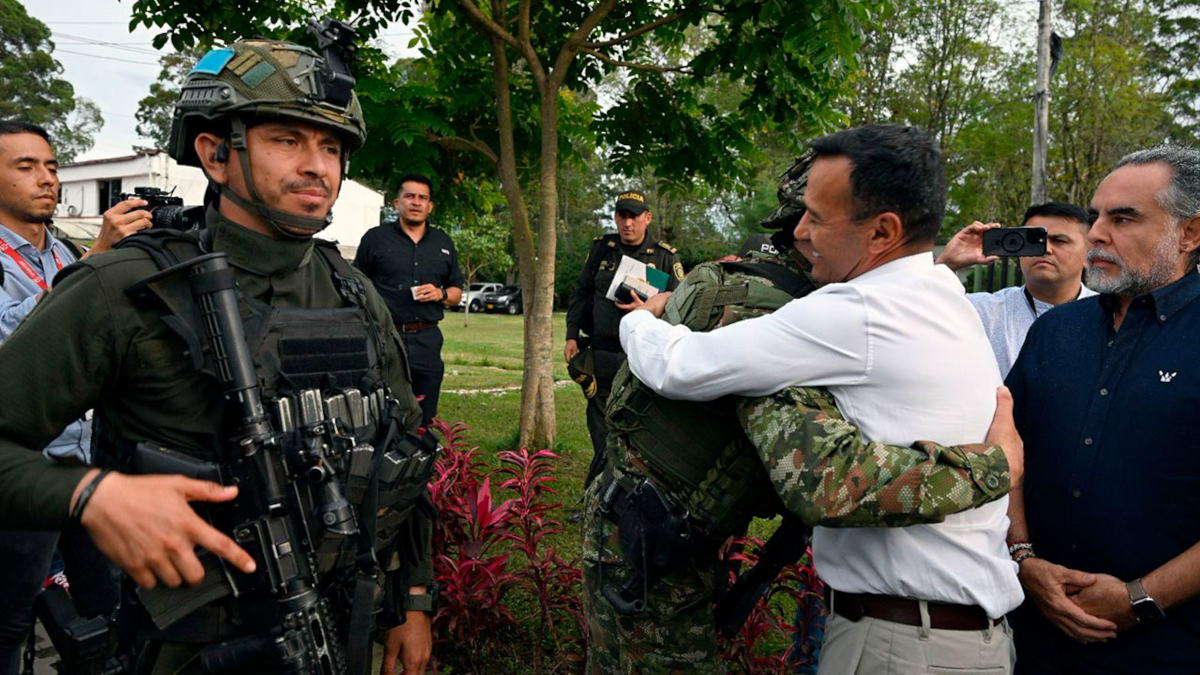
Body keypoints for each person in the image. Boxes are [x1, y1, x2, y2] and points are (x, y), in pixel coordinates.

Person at [0, 36, 434, 675]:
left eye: (332, 146)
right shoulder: (121, 288)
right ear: (216, 154)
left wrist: (414, 599)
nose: (319, 165)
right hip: (190, 650)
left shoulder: (352, 288)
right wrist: (90, 494)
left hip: (336, 632)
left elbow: (404, 447)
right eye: (287, 140)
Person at [582, 153, 1023, 674]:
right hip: (657, 542)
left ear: (881, 231)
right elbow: (820, 474)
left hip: (908, 636)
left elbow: (819, 472)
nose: (804, 231)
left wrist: (642, 320)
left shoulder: (850, 309)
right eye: (802, 218)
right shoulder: (916, 295)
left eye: (816, 217)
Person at [1004, 146, 1200, 674]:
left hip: (1169, 649)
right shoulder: (1055, 330)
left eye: (1123, 218)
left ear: (1190, 234)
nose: (1095, 234)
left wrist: (1141, 597)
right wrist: (1024, 560)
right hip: (1033, 639)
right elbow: (1005, 449)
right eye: (1096, 217)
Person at [0, 119, 143, 675]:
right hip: (24, 470)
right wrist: (95, 263)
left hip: (87, 460)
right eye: (26, 166)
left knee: (105, 607)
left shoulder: (64, 253)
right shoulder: (79, 260)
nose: (47, 179)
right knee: (11, 624)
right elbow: (19, 352)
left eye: (52, 166)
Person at [564, 189, 683, 475]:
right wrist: (571, 334)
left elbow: (681, 310)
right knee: (600, 429)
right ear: (616, 218)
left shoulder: (665, 258)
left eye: (634, 216)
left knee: (637, 431)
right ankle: (598, 494)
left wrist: (650, 308)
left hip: (641, 357)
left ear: (647, 218)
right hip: (601, 355)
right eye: (622, 216)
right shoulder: (602, 248)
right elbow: (581, 293)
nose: (627, 223)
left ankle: (631, 495)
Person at [936, 203, 1096, 376]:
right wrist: (947, 263)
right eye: (1033, 240)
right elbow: (918, 313)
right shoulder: (984, 312)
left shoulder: (1111, 315)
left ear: (1090, 254)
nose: (1046, 249)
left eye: (1059, 241)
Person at [355, 173, 463, 426]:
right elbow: (356, 285)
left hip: (427, 339)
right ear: (396, 203)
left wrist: (441, 293)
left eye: (422, 198)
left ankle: (421, 463)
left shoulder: (443, 242)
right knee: (379, 409)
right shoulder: (375, 239)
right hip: (383, 337)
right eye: (410, 196)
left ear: (430, 205)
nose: (416, 202)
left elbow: (457, 290)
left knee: (425, 414)